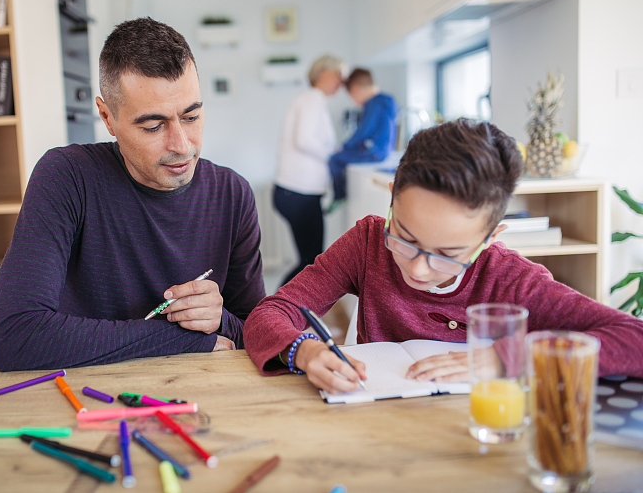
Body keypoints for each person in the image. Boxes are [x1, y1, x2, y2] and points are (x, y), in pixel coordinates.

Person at [244, 119, 643, 394]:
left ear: (489, 238)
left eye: (449, 254)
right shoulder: (366, 242)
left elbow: (635, 339)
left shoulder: (510, 277)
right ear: (392, 201)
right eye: (404, 238)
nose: (419, 268)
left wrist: (507, 357)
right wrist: (304, 349)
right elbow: (271, 312)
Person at [0, 18, 265, 372]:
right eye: (153, 126)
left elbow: (259, 334)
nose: (182, 146)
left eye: (191, 116)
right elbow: (16, 336)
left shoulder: (232, 194)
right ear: (107, 117)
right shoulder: (67, 177)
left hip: (197, 392)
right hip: (86, 394)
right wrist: (182, 340)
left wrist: (219, 319)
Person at [273, 54, 345, 286]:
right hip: (298, 193)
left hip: (296, 192)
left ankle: (279, 304)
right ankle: (275, 304)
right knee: (311, 262)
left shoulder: (312, 99)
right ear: (323, 72)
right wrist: (334, 155)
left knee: (309, 260)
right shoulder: (313, 98)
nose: (342, 80)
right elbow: (304, 140)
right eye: (338, 74)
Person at [328, 68, 399, 204]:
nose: (354, 101)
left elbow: (364, 131)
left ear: (356, 89)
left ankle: (339, 197)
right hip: (383, 151)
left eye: (351, 96)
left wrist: (344, 146)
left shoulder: (373, 103)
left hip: (373, 152)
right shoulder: (387, 101)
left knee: (335, 159)